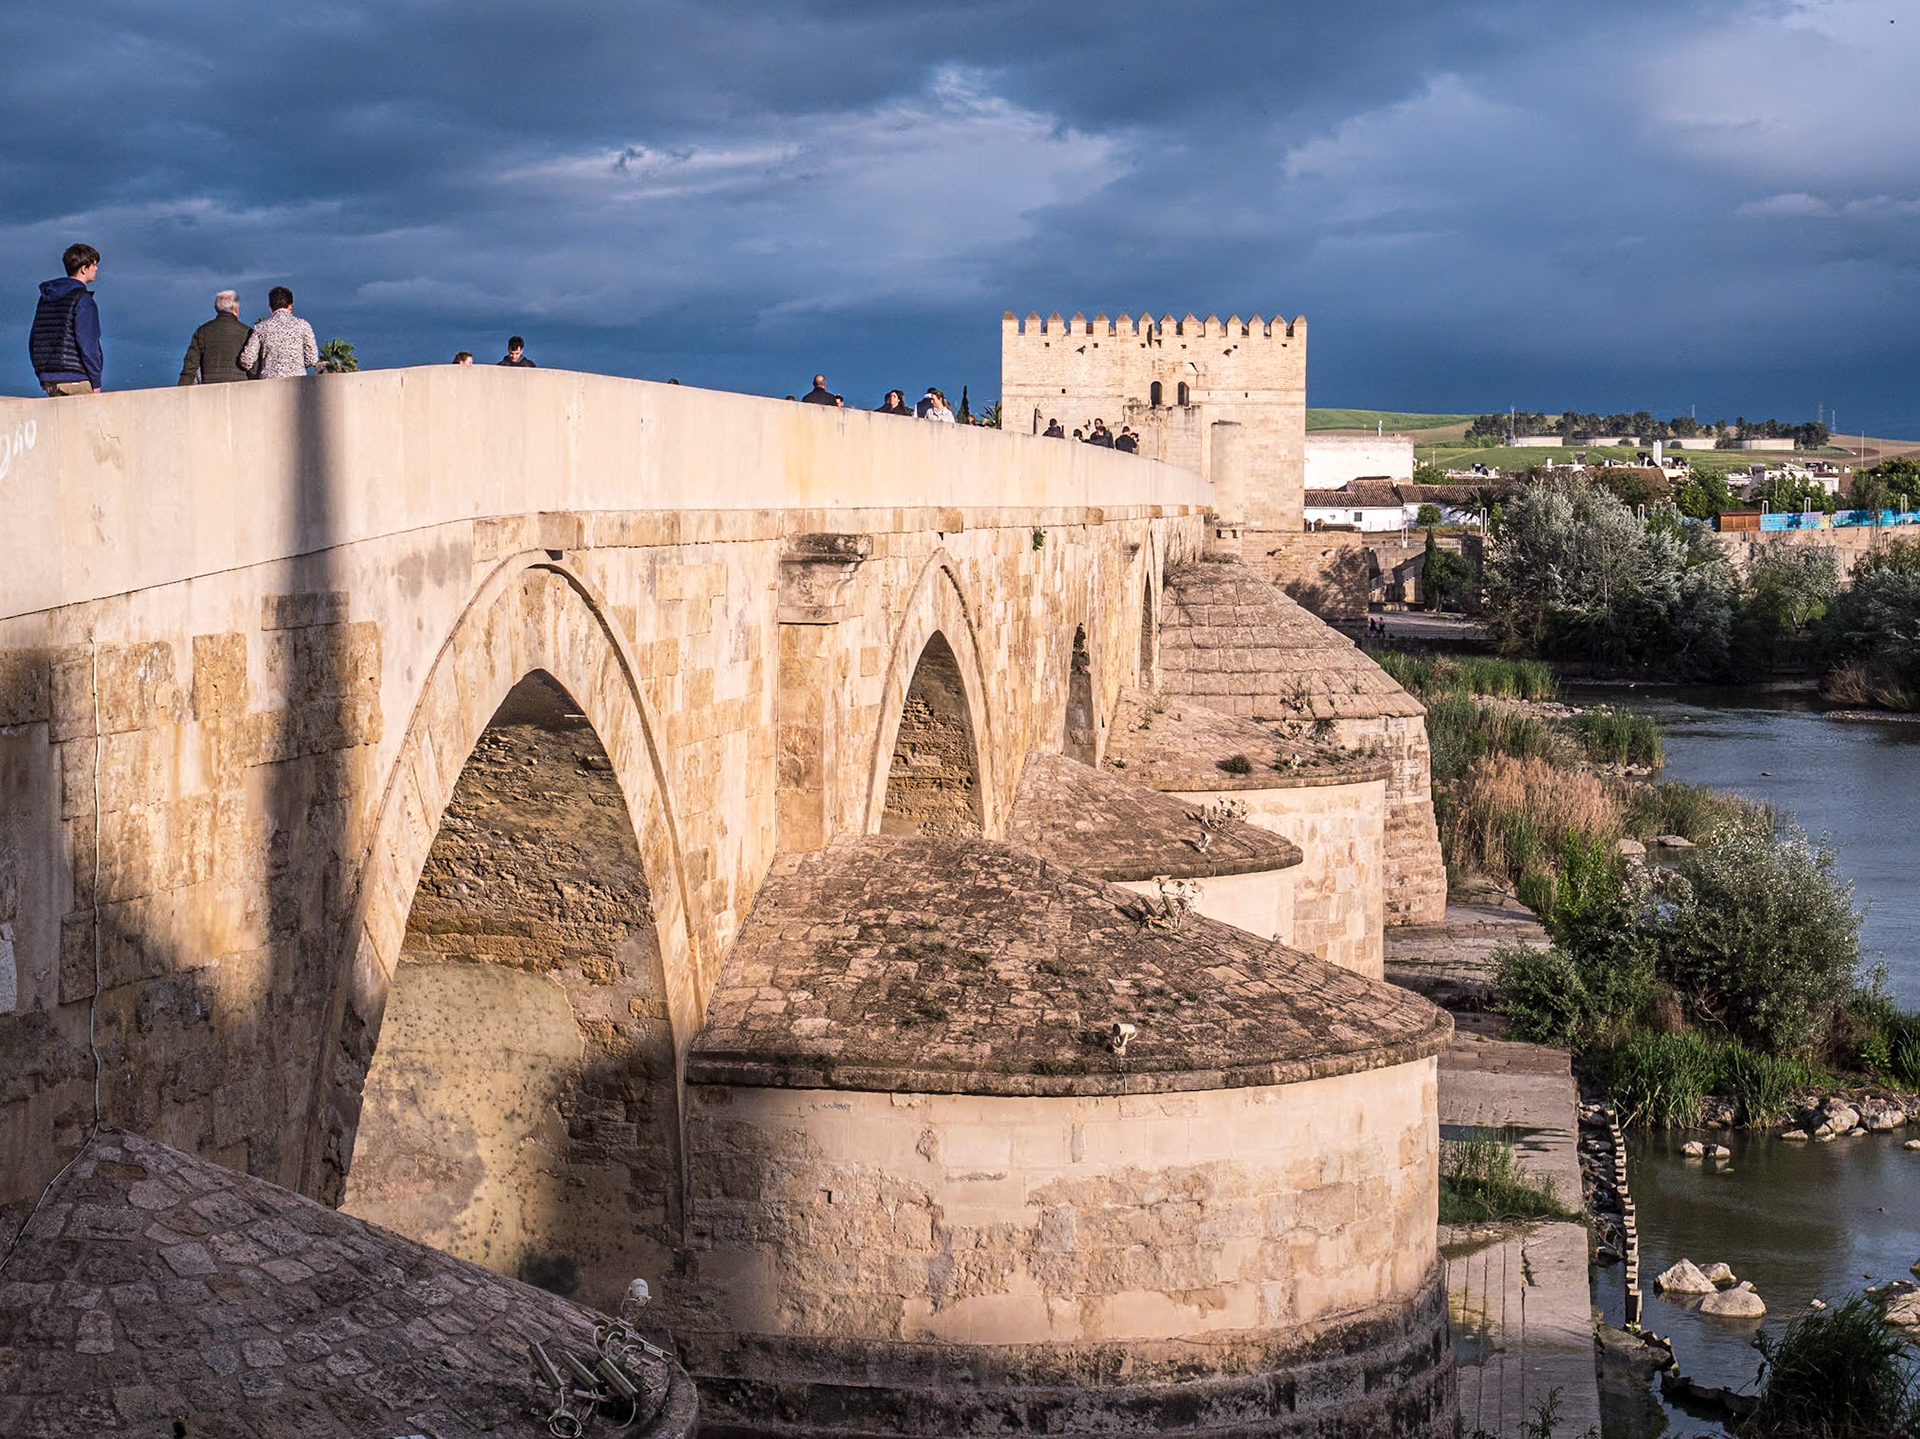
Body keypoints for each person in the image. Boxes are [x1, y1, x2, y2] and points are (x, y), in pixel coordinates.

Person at [29, 243, 103, 396]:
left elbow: (34, 340)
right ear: (84, 268)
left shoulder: (45, 299)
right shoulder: (82, 300)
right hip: (76, 378)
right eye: (94, 264)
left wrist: (43, 374)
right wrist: (96, 382)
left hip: (49, 379)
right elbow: (88, 344)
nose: (96, 269)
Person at [238, 287, 318, 379]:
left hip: (269, 384)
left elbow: (247, 360)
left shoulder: (261, 327)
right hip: (297, 382)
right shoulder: (304, 325)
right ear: (290, 306)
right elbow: (312, 359)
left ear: (270, 308)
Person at [177, 291, 253, 385]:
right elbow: (254, 368)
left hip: (210, 391)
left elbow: (190, 366)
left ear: (216, 308)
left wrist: (181, 389)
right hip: (240, 390)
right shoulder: (247, 332)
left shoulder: (202, 331)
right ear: (236, 309)